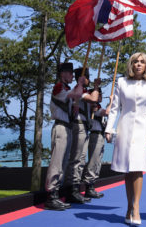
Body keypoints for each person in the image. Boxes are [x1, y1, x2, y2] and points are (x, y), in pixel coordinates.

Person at [105, 52, 146, 226]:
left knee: (138, 168)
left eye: (142, 62)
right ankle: (128, 207)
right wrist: (109, 129)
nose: (138, 64)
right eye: (135, 61)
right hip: (125, 128)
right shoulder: (121, 82)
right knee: (127, 170)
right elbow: (114, 109)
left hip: (143, 129)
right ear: (131, 64)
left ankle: (136, 208)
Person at [44, 62, 84, 211]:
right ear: (63, 74)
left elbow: (75, 102)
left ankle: (56, 193)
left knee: (63, 162)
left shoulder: (66, 89)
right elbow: (77, 93)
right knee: (57, 162)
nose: (73, 76)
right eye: (70, 73)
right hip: (61, 126)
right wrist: (80, 83)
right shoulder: (59, 87)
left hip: (67, 127)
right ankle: (51, 195)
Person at [64, 67, 95, 204]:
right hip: (78, 124)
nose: (89, 80)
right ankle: (71, 189)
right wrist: (97, 87)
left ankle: (75, 188)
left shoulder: (82, 89)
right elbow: (94, 99)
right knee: (76, 158)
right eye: (87, 77)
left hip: (84, 125)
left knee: (81, 159)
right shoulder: (79, 89)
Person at [81, 76, 112, 199]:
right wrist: (111, 102)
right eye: (99, 94)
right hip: (95, 133)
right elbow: (107, 112)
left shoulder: (96, 106)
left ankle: (92, 184)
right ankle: (89, 185)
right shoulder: (94, 106)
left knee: (97, 161)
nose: (100, 97)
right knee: (93, 160)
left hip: (99, 134)